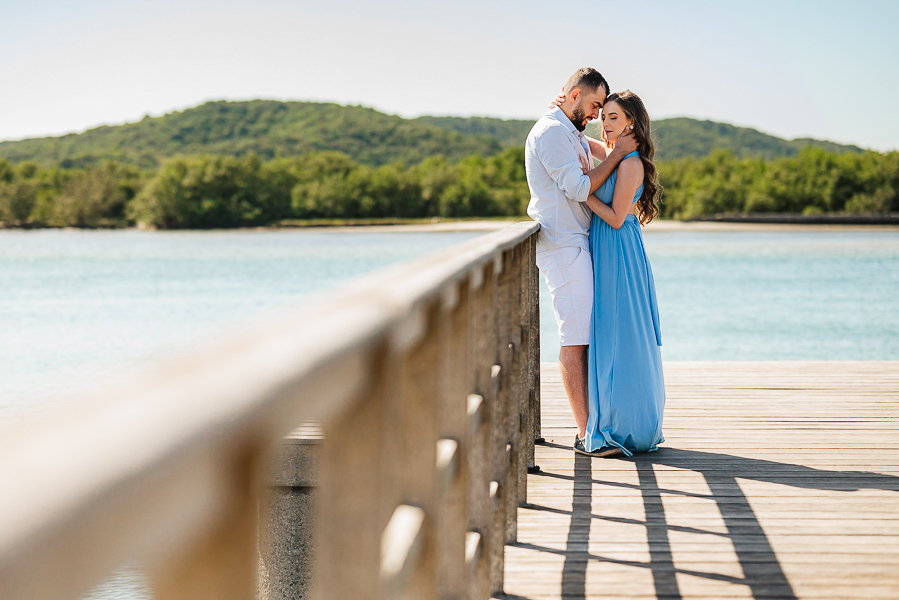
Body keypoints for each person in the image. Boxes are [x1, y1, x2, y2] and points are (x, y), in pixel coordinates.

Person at [525, 68, 638, 456]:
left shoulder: (567, 129)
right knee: (575, 338)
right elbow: (576, 187)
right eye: (592, 106)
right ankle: (587, 434)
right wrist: (620, 154)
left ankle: (593, 427)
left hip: (578, 243)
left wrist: (618, 150)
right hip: (561, 245)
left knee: (585, 335)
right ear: (573, 95)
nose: (594, 115)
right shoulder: (551, 132)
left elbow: (590, 149)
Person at [579, 90, 665, 457]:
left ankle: (629, 427)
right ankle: (617, 419)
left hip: (618, 248)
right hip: (609, 247)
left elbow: (615, 218)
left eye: (614, 117)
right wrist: (561, 110)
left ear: (631, 122)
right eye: (604, 115)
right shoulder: (615, 154)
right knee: (610, 330)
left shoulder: (630, 163)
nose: (605, 122)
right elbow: (579, 140)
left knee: (622, 331)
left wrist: (582, 193)